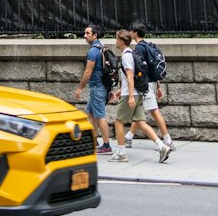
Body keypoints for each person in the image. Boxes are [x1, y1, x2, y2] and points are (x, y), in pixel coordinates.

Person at [110, 28, 171, 163]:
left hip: (130, 95)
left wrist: (129, 95)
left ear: (121, 41)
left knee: (118, 122)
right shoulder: (132, 53)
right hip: (137, 93)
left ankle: (121, 153)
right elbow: (130, 78)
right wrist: (121, 91)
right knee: (141, 123)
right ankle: (162, 147)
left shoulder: (126, 56)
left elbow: (131, 76)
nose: (115, 41)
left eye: (116, 39)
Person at [125, 21, 174, 152]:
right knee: (139, 112)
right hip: (151, 83)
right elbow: (152, 67)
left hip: (145, 85)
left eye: (130, 31)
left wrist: (138, 85)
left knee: (153, 111)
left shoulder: (139, 48)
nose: (129, 33)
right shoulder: (148, 45)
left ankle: (167, 140)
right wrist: (158, 86)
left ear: (134, 33)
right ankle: (129, 137)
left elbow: (141, 68)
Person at [73, 23, 112, 153]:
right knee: (90, 114)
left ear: (95, 35)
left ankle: (106, 145)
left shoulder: (93, 51)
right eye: (85, 33)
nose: (85, 36)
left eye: (88, 33)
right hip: (101, 86)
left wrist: (80, 88)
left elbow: (88, 72)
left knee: (100, 116)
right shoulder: (102, 47)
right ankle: (93, 141)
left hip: (97, 87)